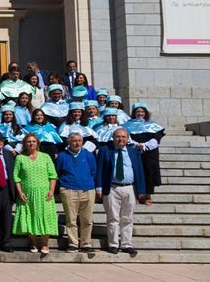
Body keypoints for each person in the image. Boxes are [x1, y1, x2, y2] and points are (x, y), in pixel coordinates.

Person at [95, 128, 146, 256]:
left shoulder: (133, 152)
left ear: (127, 138)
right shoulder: (105, 150)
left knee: (127, 218)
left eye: (123, 137)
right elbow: (99, 169)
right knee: (113, 217)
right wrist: (99, 187)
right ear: (113, 138)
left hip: (129, 188)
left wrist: (141, 190)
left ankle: (126, 244)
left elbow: (139, 171)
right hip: (112, 188)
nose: (120, 139)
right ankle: (113, 244)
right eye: (118, 136)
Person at [12, 133, 58, 255]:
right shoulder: (20, 158)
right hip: (27, 194)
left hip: (44, 193)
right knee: (30, 217)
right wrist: (20, 192)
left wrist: (51, 190)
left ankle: (45, 243)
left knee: (45, 216)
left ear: (37, 143)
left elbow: (53, 175)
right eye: (28, 141)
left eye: (33, 141)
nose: (31, 143)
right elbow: (16, 177)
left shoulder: (45, 157)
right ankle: (33, 242)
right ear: (25, 144)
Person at [55, 132, 97, 253]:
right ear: (69, 142)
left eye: (79, 141)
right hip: (69, 189)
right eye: (74, 141)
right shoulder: (62, 156)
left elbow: (93, 171)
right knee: (71, 219)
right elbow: (58, 172)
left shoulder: (88, 155)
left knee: (87, 219)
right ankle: (73, 243)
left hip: (87, 189)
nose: (77, 143)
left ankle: (86, 244)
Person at [123, 102, 165, 205]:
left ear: (145, 113)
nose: (140, 113)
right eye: (137, 111)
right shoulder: (127, 125)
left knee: (149, 172)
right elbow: (126, 137)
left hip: (150, 153)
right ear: (134, 113)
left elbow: (157, 138)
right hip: (134, 151)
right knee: (135, 172)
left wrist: (145, 145)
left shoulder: (152, 125)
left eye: (142, 111)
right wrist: (136, 145)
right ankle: (136, 195)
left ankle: (148, 195)